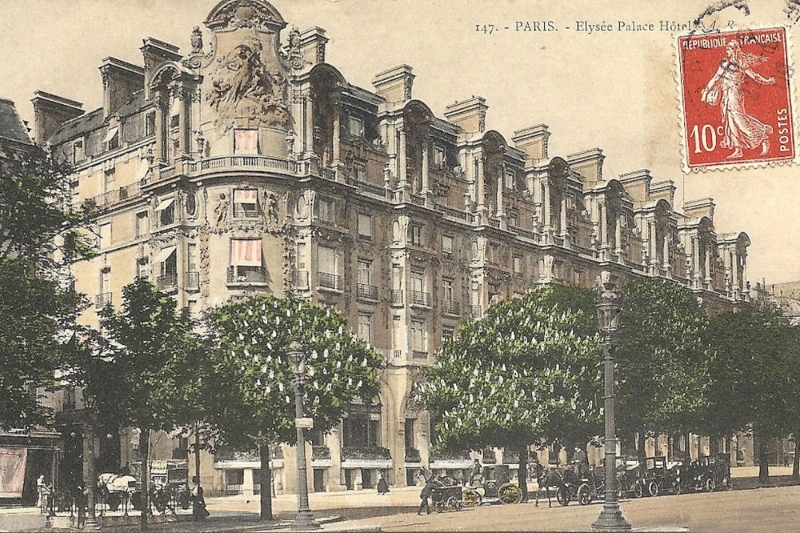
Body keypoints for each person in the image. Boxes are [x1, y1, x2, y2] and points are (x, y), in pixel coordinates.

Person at [701, 39, 776, 159]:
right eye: (726, 49)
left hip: (735, 93)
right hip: (725, 94)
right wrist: (706, 91)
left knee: (739, 120)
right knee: (730, 122)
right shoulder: (724, 62)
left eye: (729, 49)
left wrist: (767, 81)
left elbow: (754, 76)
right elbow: (716, 77)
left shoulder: (741, 62)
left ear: (735, 50)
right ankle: (738, 149)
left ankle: (763, 136)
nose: (727, 51)